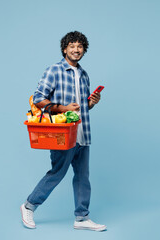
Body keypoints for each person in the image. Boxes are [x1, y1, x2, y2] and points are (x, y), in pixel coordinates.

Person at [21, 31, 106, 231]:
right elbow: (39, 99)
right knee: (57, 173)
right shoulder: (54, 70)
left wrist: (91, 103)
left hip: (82, 132)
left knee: (83, 176)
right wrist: (64, 108)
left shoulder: (84, 74)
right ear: (65, 48)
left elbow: (81, 107)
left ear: (83, 49)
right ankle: (28, 206)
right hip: (62, 133)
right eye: (72, 46)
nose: (76, 50)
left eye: (80, 46)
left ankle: (82, 217)